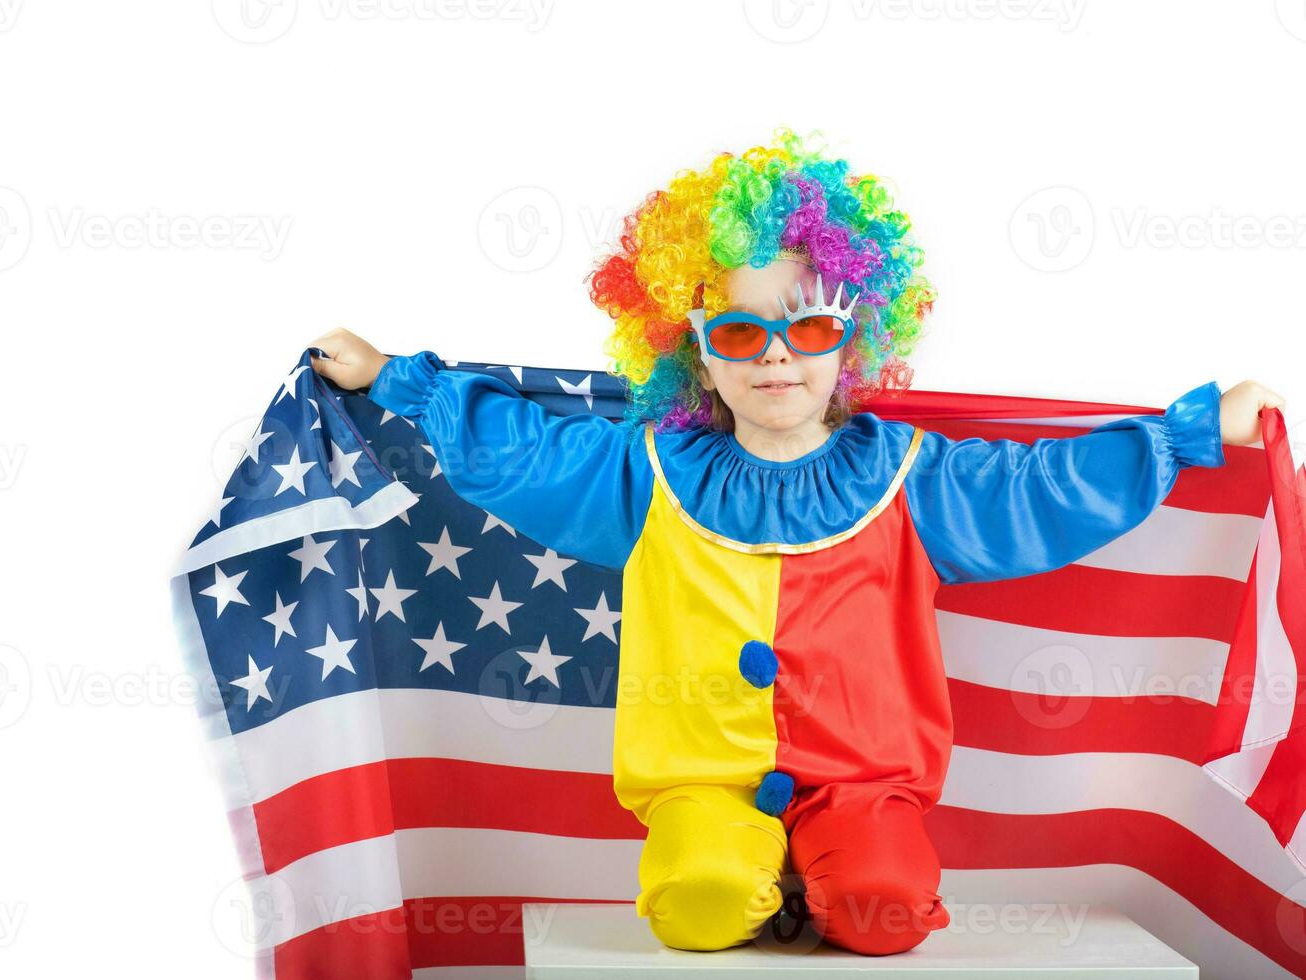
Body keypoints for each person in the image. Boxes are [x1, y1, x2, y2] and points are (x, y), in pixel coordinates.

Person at [306, 129, 1287, 957]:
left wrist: (1189, 431)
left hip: (868, 781)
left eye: (805, 326)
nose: (775, 355)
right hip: (699, 775)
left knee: (885, 903)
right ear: (693, 347)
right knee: (695, 898)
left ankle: (828, 858)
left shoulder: (910, 476)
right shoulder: (642, 473)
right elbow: (516, 446)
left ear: (850, 335)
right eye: (738, 334)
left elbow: (1044, 486)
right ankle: (743, 857)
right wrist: (395, 376)